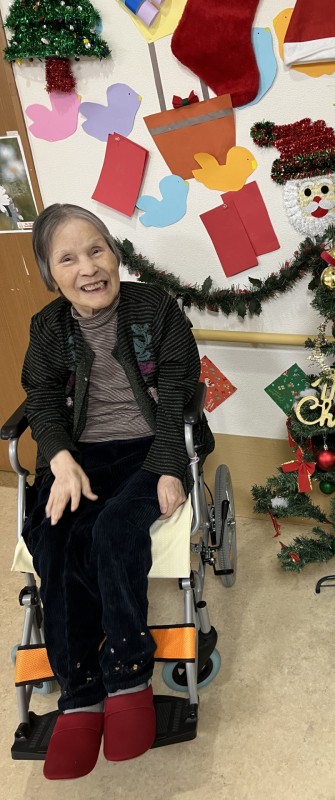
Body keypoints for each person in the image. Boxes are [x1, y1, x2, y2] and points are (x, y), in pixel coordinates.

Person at [20, 203, 214, 779]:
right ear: (50, 274)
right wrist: (59, 460)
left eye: (96, 249)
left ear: (115, 253)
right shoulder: (47, 328)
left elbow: (178, 388)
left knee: (113, 530)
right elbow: (42, 399)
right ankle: (79, 693)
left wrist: (170, 466)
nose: (88, 267)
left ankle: (128, 676)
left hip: (151, 447)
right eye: (68, 259)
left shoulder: (154, 306)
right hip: (79, 455)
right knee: (56, 540)